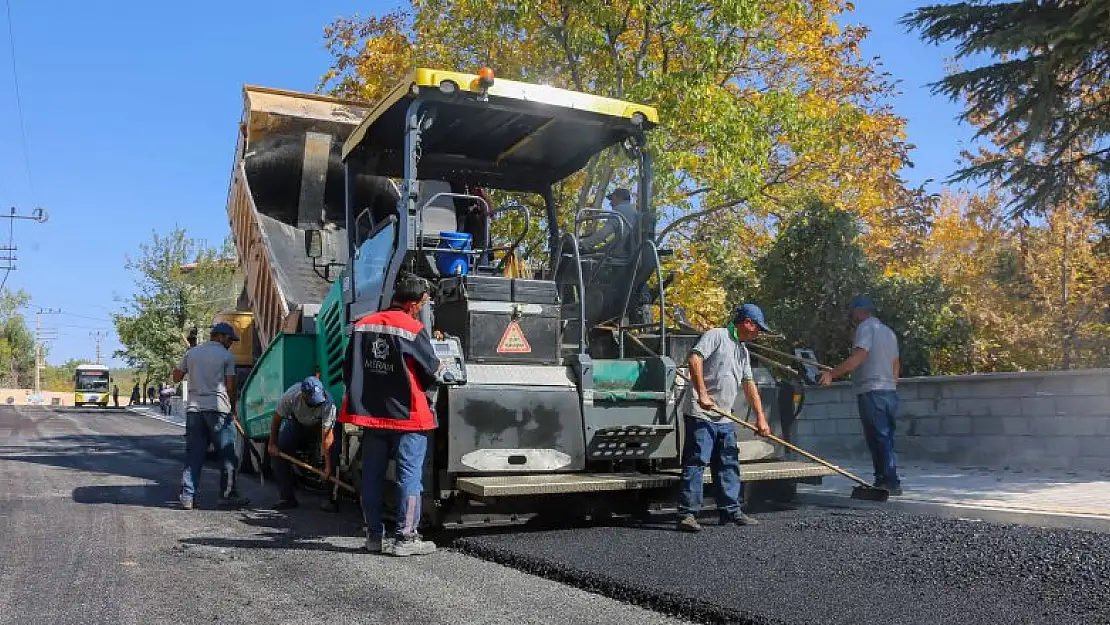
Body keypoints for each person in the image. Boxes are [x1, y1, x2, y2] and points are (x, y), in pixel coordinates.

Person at [339, 274, 443, 556]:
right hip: (408, 417)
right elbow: (431, 371)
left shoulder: (362, 326)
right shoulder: (412, 327)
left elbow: (348, 369)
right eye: (422, 303)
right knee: (409, 477)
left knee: (371, 476)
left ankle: (374, 536)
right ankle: (406, 539)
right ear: (411, 304)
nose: (422, 308)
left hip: (372, 416)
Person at [676, 303, 773, 533]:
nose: (758, 333)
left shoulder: (742, 350)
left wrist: (761, 418)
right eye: (758, 328)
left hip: (724, 416)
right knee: (697, 461)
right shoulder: (716, 336)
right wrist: (702, 394)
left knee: (729, 462)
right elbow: (694, 359)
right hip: (702, 413)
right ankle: (687, 514)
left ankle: (731, 510)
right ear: (747, 322)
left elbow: (748, 384)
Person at [819, 295, 902, 495]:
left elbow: (860, 355)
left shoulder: (866, 328)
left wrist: (831, 374)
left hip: (872, 390)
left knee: (877, 437)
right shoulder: (888, 332)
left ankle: (889, 482)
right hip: (889, 391)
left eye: (852, 312)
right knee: (885, 437)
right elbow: (896, 365)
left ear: (859, 311)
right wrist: (890, 384)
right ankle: (884, 480)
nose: (851, 316)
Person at [172, 322, 250, 510]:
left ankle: (187, 496)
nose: (231, 343)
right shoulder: (226, 356)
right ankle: (227, 495)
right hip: (219, 412)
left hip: (194, 412)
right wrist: (233, 408)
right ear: (221, 337)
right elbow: (230, 386)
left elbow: (176, 377)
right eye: (230, 339)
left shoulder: (192, 353)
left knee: (194, 455)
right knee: (227, 455)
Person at [267, 376, 341, 512]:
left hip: (321, 427)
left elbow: (327, 438)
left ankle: (331, 499)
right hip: (297, 424)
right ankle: (287, 497)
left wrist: (328, 468)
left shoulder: (328, 403)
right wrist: (272, 444)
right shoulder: (290, 396)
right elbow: (276, 419)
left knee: (333, 451)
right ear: (303, 396)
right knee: (280, 451)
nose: (317, 403)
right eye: (313, 401)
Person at [580, 188, 639, 254]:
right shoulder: (634, 211)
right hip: (628, 252)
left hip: (619, 255)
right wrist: (597, 250)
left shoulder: (620, 210)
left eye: (612, 199)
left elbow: (604, 233)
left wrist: (584, 244)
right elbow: (619, 240)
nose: (610, 203)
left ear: (620, 198)